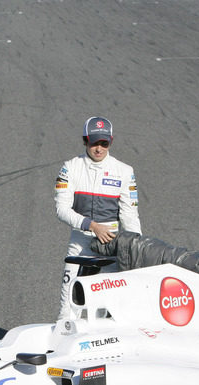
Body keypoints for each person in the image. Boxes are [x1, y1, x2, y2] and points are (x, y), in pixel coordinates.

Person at [55, 116, 141, 318]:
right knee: (67, 310)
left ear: (110, 142)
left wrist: (135, 248)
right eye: (94, 142)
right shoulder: (69, 168)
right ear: (85, 140)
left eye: (104, 143)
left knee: (108, 312)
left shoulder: (125, 172)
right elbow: (61, 209)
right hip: (80, 244)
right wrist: (93, 226)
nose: (99, 148)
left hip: (111, 246)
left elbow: (130, 215)